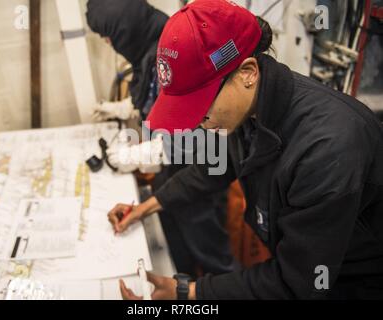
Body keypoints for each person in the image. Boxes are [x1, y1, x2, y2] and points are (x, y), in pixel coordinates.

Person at [108, 0, 383, 300]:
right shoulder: (248, 110)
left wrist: (189, 292)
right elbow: (217, 165)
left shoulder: (327, 147)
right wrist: (146, 207)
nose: (197, 123)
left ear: (247, 72)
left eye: (201, 108)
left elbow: (296, 283)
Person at [86, 0, 235, 277]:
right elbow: (158, 100)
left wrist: (142, 154)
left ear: (125, 29)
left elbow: (199, 134)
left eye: (109, 36)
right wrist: (126, 107)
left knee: (211, 251)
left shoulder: (174, 53)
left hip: (202, 173)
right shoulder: (150, 47)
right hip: (173, 171)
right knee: (175, 246)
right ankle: (185, 287)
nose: (108, 43)